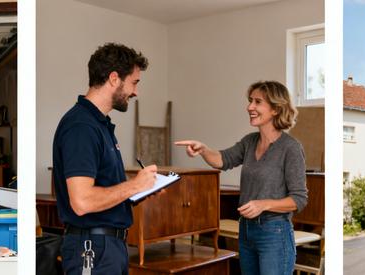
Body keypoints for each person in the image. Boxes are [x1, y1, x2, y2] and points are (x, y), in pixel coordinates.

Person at [174, 80, 308, 274]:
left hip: (274, 233)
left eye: (257, 102)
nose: (250, 107)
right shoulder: (249, 142)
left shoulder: (291, 148)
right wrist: (203, 149)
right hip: (246, 230)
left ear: (276, 109)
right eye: (250, 101)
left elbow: (299, 199)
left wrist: (264, 204)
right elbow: (222, 159)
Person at [52, 42, 158, 275]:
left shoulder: (100, 125)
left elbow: (104, 189)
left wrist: (142, 188)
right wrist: (134, 185)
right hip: (93, 250)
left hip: (108, 249)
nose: (135, 92)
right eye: (134, 82)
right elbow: (82, 202)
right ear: (113, 78)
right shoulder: (81, 127)